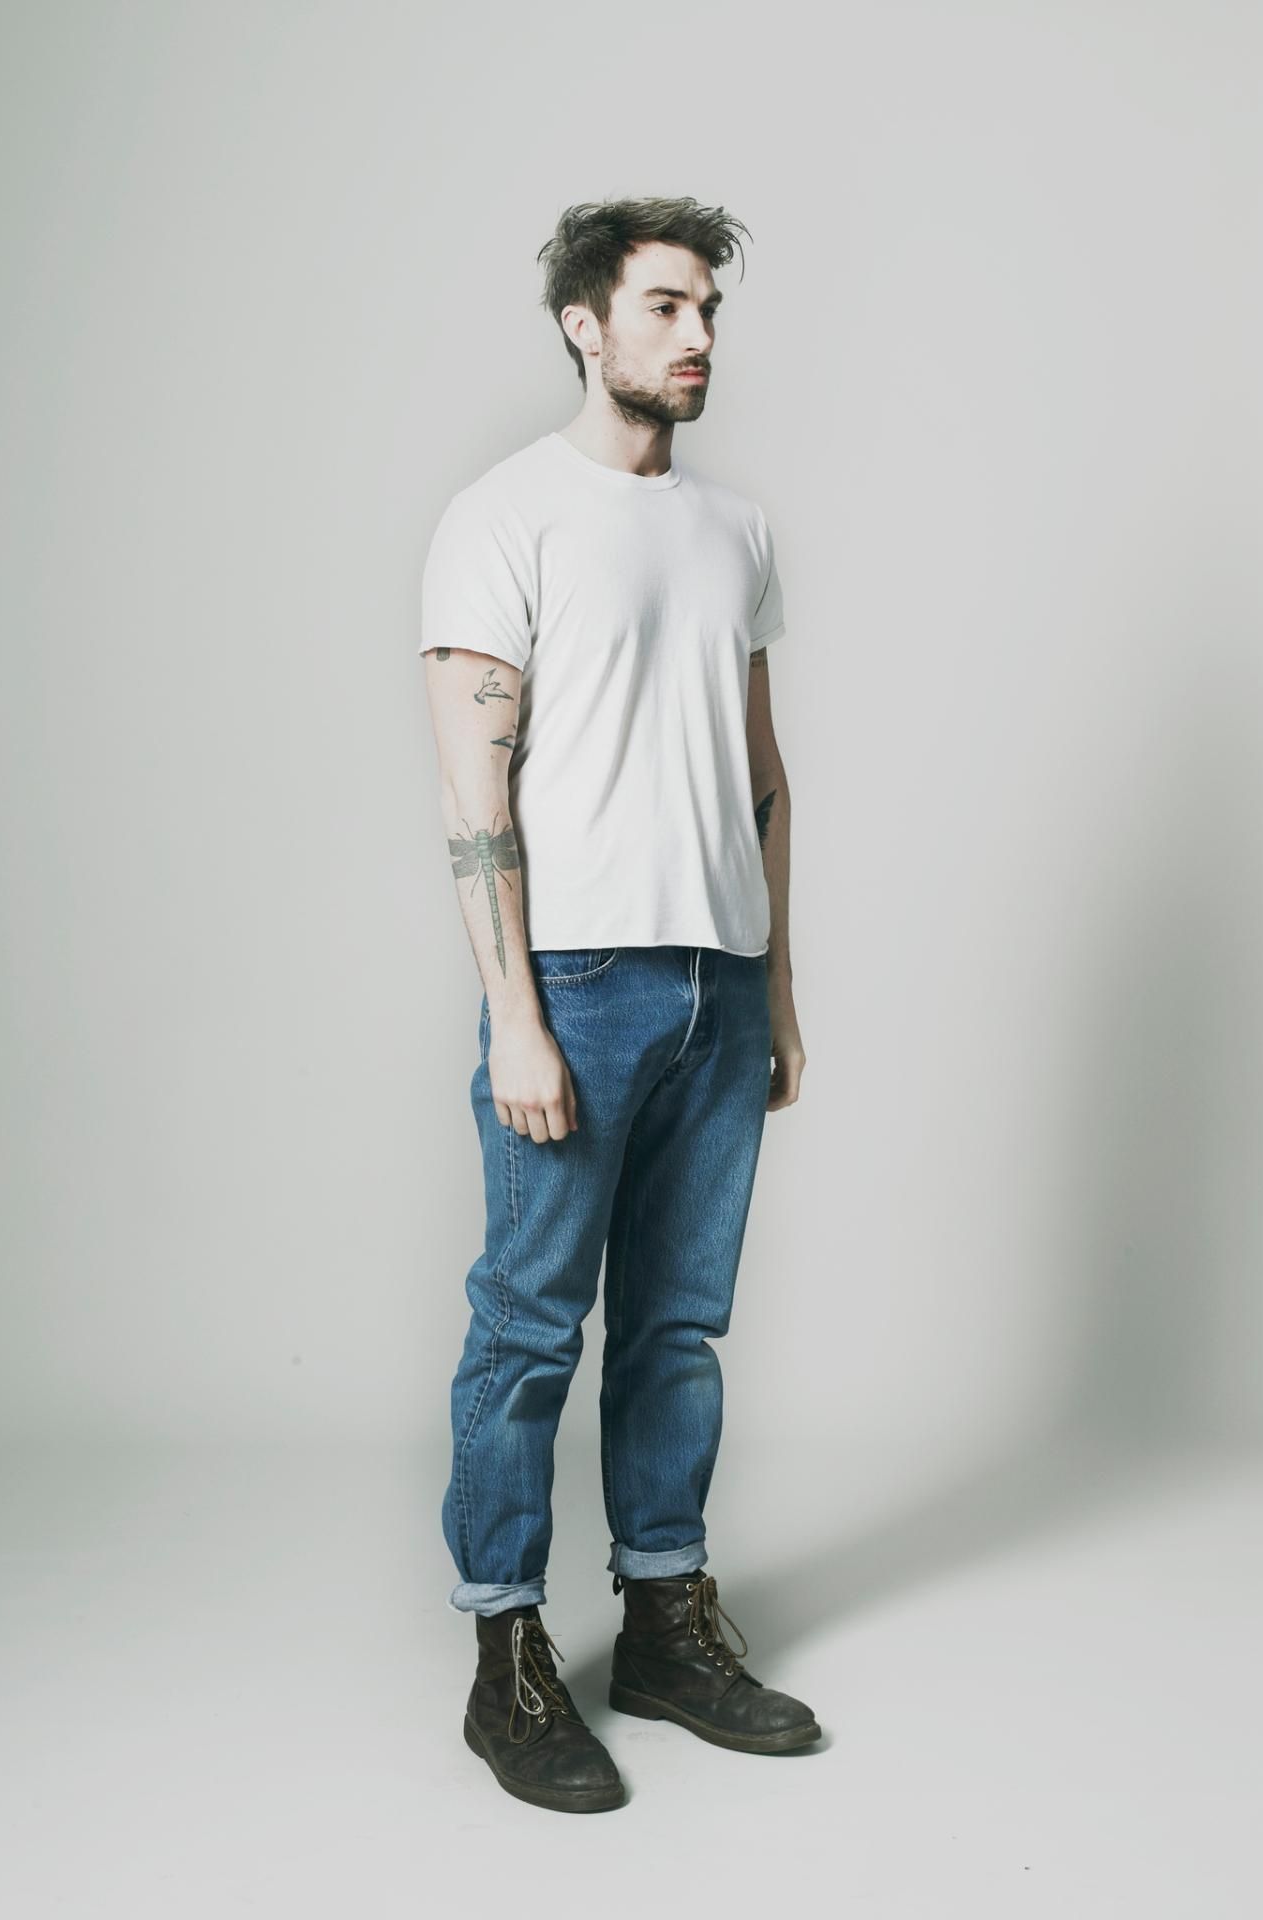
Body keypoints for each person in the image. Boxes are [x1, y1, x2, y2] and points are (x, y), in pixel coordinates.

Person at [418, 196, 820, 1814]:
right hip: (576, 982)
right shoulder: (501, 516)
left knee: (676, 1326)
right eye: (664, 305)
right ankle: (506, 1654)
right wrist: (513, 1012)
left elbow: (763, 777)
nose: (696, 334)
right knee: (529, 1327)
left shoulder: (736, 531)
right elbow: (473, 796)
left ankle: (662, 1621)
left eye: (707, 307)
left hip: (718, 976)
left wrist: (776, 983)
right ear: (586, 325)